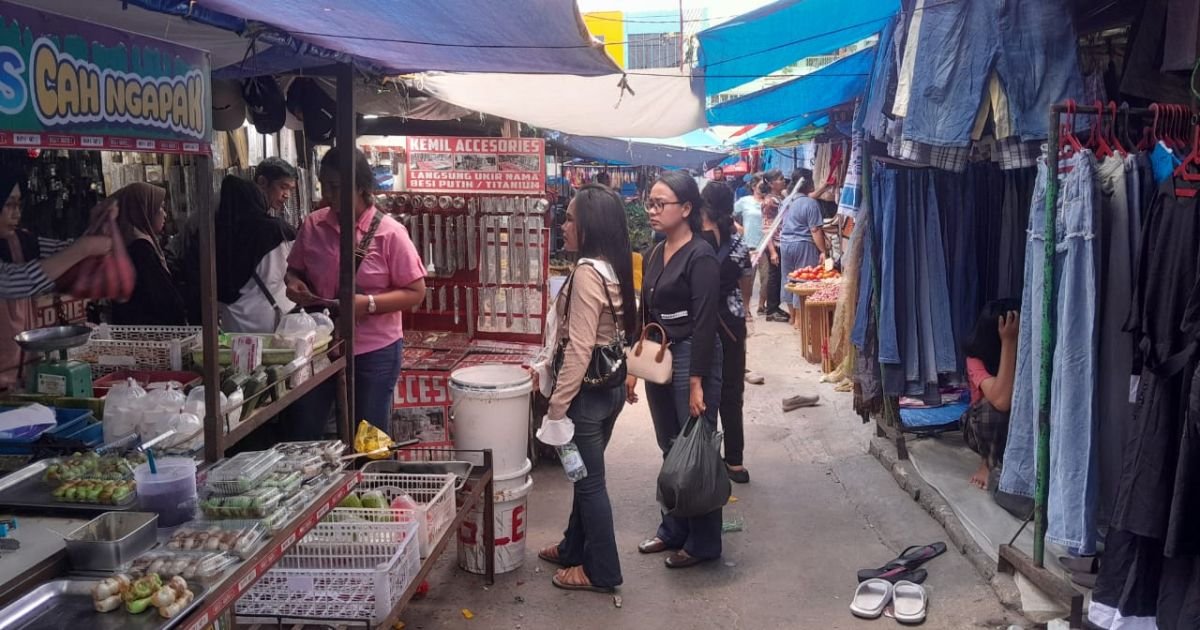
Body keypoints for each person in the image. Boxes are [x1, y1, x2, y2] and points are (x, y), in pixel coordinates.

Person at [286, 147, 426, 438]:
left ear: (361, 187)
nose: (328, 195)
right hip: (319, 347)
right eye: (324, 186)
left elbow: (415, 292)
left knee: (368, 436)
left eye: (336, 187)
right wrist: (294, 283)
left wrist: (369, 303)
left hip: (374, 351)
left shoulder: (390, 233)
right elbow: (294, 270)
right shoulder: (313, 225)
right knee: (305, 430)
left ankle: (369, 471)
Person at [537, 184, 636, 593]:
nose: (563, 225)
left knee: (589, 483)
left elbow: (579, 348)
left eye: (570, 218)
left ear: (589, 225)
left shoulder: (585, 273)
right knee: (582, 477)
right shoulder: (612, 268)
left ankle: (602, 571)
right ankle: (572, 547)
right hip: (608, 392)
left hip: (585, 400)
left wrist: (557, 407)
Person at [629, 170, 723, 569]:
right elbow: (646, 312)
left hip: (692, 355)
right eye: (649, 203)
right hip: (660, 356)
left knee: (695, 449)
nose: (652, 210)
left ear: (686, 208)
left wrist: (697, 381)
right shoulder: (655, 252)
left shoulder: (701, 256)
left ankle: (704, 542)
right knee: (670, 446)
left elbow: (705, 321)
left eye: (660, 203)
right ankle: (673, 529)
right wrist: (634, 365)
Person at [0, 174, 112, 388]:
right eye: (8, 205)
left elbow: (63, 252)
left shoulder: (19, 240)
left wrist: (96, 229)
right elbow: (14, 282)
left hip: (24, 375)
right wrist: (84, 248)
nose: (17, 213)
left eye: (19, 204)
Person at [701, 181, 753, 484]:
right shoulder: (738, 243)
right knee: (732, 391)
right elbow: (746, 280)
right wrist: (743, 309)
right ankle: (735, 462)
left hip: (701, 324)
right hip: (732, 324)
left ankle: (703, 459)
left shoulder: (695, 242)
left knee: (700, 389)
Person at [212, 175, 297, 333]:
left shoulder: (214, 237)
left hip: (233, 326)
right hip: (272, 322)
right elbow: (298, 268)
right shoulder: (277, 231)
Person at [110, 183, 188, 326]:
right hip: (151, 334)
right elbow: (164, 301)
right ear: (144, 211)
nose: (165, 214)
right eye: (160, 208)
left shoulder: (132, 245)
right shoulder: (140, 251)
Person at [962, 299, 1020, 490]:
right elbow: (1001, 401)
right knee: (991, 409)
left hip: (1015, 425)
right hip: (981, 430)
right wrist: (1009, 343)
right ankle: (988, 463)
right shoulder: (975, 360)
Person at [778, 169, 828, 321]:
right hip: (803, 244)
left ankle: (793, 318)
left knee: (788, 280)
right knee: (803, 282)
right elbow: (815, 230)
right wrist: (823, 251)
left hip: (785, 244)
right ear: (808, 183)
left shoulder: (786, 201)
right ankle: (800, 321)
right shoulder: (810, 203)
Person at [733, 174, 764, 317]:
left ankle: (762, 306)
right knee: (748, 281)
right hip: (749, 245)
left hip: (767, 245)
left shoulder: (770, 201)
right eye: (761, 185)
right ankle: (746, 309)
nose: (763, 188)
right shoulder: (745, 201)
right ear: (753, 187)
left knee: (767, 280)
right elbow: (730, 215)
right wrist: (738, 227)